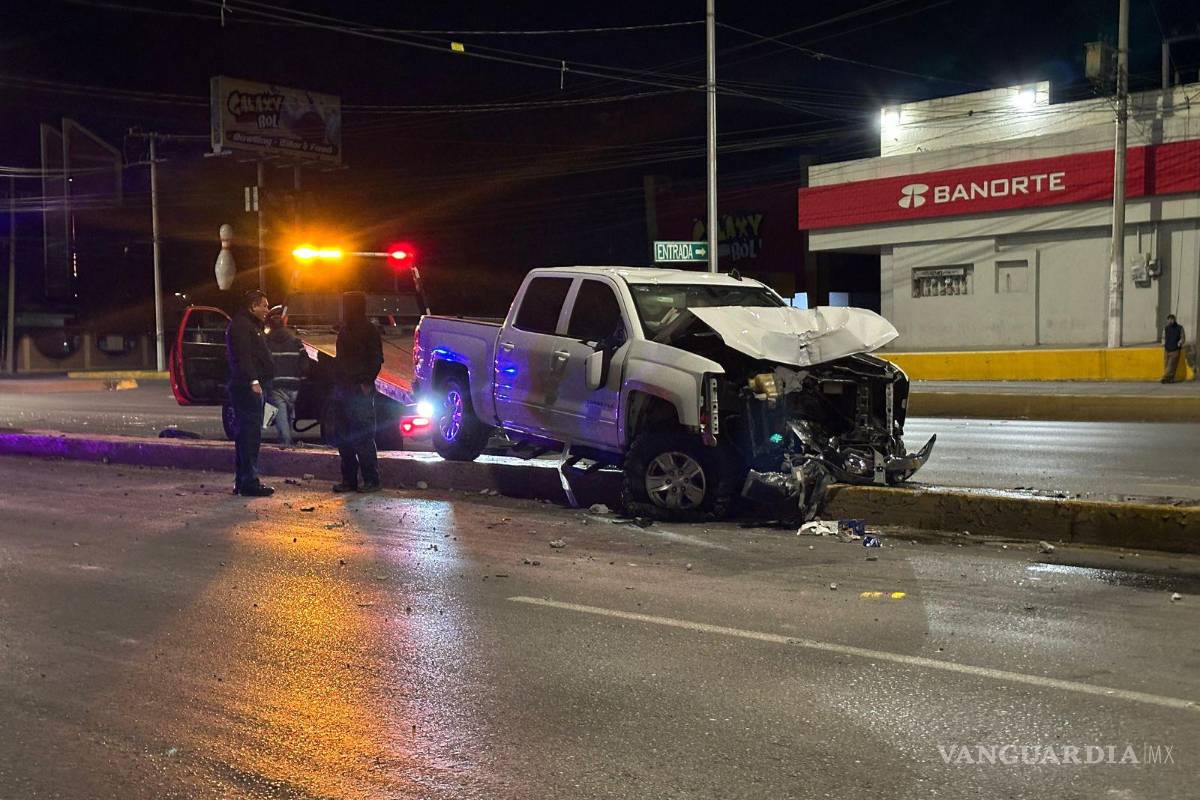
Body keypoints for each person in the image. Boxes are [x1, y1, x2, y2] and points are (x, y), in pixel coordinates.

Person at [332, 291, 384, 493]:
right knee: (343, 437)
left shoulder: (369, 330)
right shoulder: (345, 331)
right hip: (343, 390)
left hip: (359, 391)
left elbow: (376, 359)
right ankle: (349, 480)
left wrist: (366, 382)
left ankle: (371, 480)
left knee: (363, 437)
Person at [226, 289, 275, 497]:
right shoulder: (241, 326)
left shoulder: (250, 325)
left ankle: (243, 481)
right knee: (249, 436)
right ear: (253, 306)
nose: (267, 310)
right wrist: (253, 381)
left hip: (250, 387)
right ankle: (249, 482)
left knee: (248, 435)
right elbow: (243, 356)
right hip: (247, 389)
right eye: (264, 305)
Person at [265, 306, 306, 446]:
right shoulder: (296, 341)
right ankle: (287, 439)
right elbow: (305, 361)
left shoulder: (266, 343)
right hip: (294, 384)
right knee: (288, 414)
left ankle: (286, 442)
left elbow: (263, 363)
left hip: (276, 384)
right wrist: (300, 375)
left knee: (281, 415)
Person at [1162, 314, 1186, 384]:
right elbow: (1163, 337)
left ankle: (1165, 378)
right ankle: (1170, 379)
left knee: (1171, 365)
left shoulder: (1180, 328)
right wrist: (1163, 344)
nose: (1170, 321)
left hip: (1175, 350)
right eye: (1169, 319)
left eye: (1172, 319)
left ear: (1174, 319)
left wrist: (1179, 343)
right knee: (1166, 365)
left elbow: (1183, 338)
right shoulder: (1166, 328)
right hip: (1167, 349)